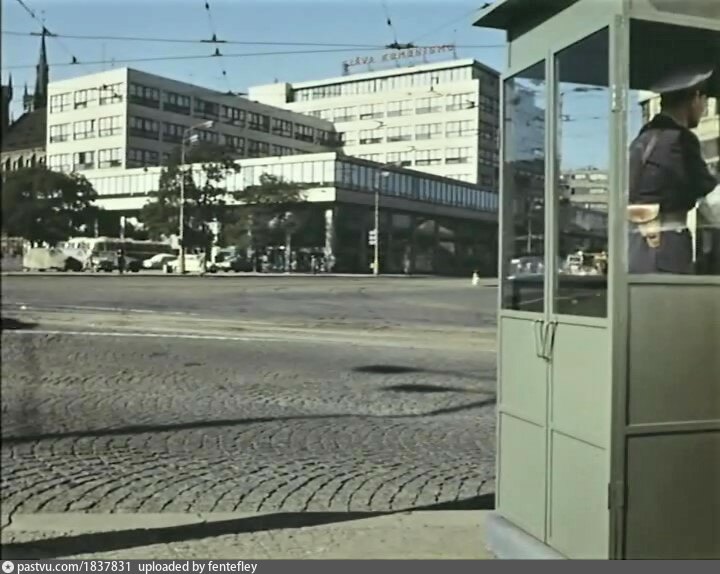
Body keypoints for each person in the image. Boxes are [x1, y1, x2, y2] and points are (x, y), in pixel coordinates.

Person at [628, 65, 719, 274]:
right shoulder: (678, 139)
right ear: (695, 98)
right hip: (665, 251)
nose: (704, 108)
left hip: (637, 251)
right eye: (705, 101)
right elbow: (711, 198)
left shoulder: (644, 138)